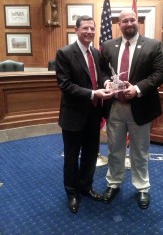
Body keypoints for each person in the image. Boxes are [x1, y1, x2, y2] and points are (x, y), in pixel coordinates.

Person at [100, 9, 163, 209]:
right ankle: (114, 183)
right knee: (114, 149)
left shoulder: (152, 45)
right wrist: (106, 83)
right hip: (115, 107)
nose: (129, 23)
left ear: (137, 21)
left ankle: (142, 187)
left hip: (141, 107)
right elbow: (103, 70)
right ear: (118, 24)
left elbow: (160, 73)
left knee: (140, 151)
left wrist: (137, 89)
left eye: (132, 19)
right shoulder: (108, 46)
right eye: (124, 21)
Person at [55, 15, 114, 214]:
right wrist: (93, 93)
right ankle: (72, 193)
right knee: (71, 157)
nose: (89, 32)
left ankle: (86, 187)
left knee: (90, 155)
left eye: (92, 28)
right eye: (85, 28)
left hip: (94, 114)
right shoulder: (64, 53)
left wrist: (106, 84)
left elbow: (102, 75)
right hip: (73, 116)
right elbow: (66, 86)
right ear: (76, 29)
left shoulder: (96, 53)